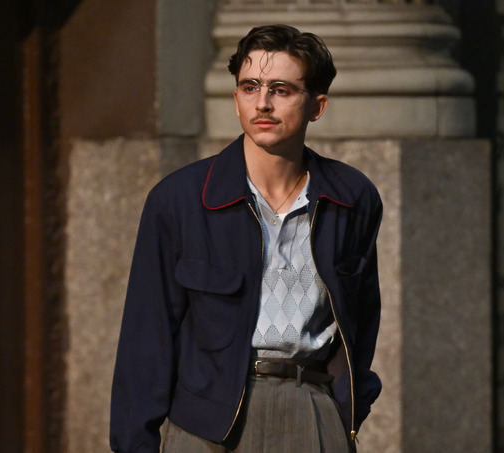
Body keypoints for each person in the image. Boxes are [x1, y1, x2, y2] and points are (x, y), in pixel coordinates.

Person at [110, 24, 382, 453]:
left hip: (312, 412)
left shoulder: (352, 198)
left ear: (317, 106)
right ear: (236, 98)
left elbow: (363, 322)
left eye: (281, 90)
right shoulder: (180, 200)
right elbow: (146, 339)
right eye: (250, 86)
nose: (263, 103)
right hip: (205, 423)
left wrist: (343, 411)